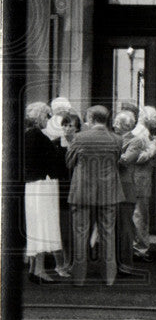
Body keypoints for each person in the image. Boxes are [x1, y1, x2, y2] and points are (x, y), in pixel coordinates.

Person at [66, 105, 125, 286]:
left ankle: (79, 278)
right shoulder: (117, 139)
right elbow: (117, 161)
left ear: (91, 118)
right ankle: (109, 277)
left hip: (82, 191)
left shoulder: (80, 138)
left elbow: (69, 163)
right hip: (109, 190)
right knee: (108, 232)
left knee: (80, 233)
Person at [23, 101, 63, 283]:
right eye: (47, 116)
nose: (49, 119)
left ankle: (33, 268)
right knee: (43, 226)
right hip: (43, 185)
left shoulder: (26, 136)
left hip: (31, 185)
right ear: (40, 117)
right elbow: (54, 163)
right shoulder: (40, 138)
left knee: (34, 226)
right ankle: (39, 270)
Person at [113, 110, 143, 277]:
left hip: (125, 188)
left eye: (117, 122)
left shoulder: (135, 140)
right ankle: (114, 263)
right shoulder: (113, 139)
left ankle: (125, 265)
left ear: (125, 125)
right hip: (111, 187)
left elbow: (125, 161)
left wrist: (106, 156)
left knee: (125, 228)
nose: (114, 125)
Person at [54, 110, 82, 277]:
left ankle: (74, 262)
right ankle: (64, 262)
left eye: (70, 125)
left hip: (78, 188)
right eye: (64, 125)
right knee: (64, 228)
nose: (66, 128)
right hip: (61, 189)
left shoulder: (80, 145)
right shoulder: (56, 144)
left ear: (77, 128)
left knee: (76, 229)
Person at [131, 106, 156, 263]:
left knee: (140, 213)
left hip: (141, 178)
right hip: (139, 179)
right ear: (147, 117)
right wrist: (153, 147)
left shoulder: (143, 133)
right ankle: (139, 248)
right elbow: (137, 157)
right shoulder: (140, 134)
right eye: (155, 116)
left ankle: (139, 246)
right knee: (140, 214)